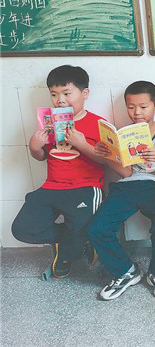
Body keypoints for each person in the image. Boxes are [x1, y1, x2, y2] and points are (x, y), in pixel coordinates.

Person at [87, 81, 155, 300]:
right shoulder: (122, 134)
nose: (136, 112)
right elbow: (127, 173)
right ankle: (125, 271)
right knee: (97, 227)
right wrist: (107, 155)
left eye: (143, 106)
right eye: (131, 107)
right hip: (128, 185)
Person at [12, 65, 106, 278]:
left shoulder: (99, 123)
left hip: (85, 187)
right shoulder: (49, 123)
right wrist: (34, 147)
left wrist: (82, 145)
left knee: (82, 225)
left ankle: (65, 255)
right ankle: (79, 240)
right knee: (21, 229)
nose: (60, 100)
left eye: (66, 93)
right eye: (54, 94)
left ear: (85, 93)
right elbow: (42, 157)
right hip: (51, 187)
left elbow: (108, 161)